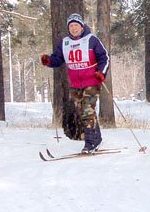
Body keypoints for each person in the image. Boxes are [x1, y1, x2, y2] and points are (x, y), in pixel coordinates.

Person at [41, 13, 109, 153]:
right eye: (71, 26)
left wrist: (102, 72)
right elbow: (57, 58)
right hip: (75, 84)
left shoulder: (91, 40)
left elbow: (104, 57)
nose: (74, 28)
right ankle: (97, 138)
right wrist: (49, 61)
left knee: (87, 111)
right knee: (83, 112)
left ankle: (90, 144)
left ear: (81, 26)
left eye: (76, 25)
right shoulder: (65, 42)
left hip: (91, 81)